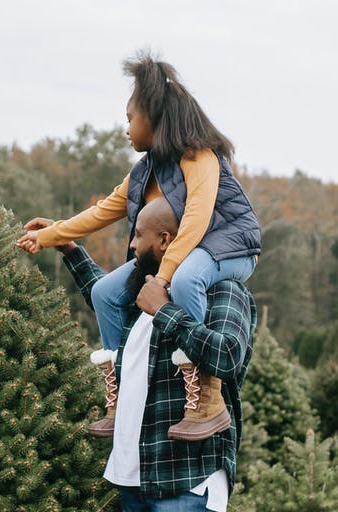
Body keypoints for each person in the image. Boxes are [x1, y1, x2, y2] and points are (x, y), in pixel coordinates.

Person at [16, 51, 260, 441]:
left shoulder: (199, 157)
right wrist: (49, 236)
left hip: (229, 248)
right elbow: (101, 212)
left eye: (130, 118)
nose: (126, 127)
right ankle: (120, 399)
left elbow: (196, 223)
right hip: (180, 254)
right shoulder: (143, 172)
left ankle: (206, 400)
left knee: (185, 282)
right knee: (106, 292)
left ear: (154, 118)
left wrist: (162, 279)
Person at [36, 198, 257, 512]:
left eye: (138, 236)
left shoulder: (220, 291)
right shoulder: (150, 293)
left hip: (186, 476)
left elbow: (228, 357)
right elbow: (104, 298)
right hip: (137, 473)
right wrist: (69, 248)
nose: (132, 245)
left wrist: (167, 312)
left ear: (166, 240)